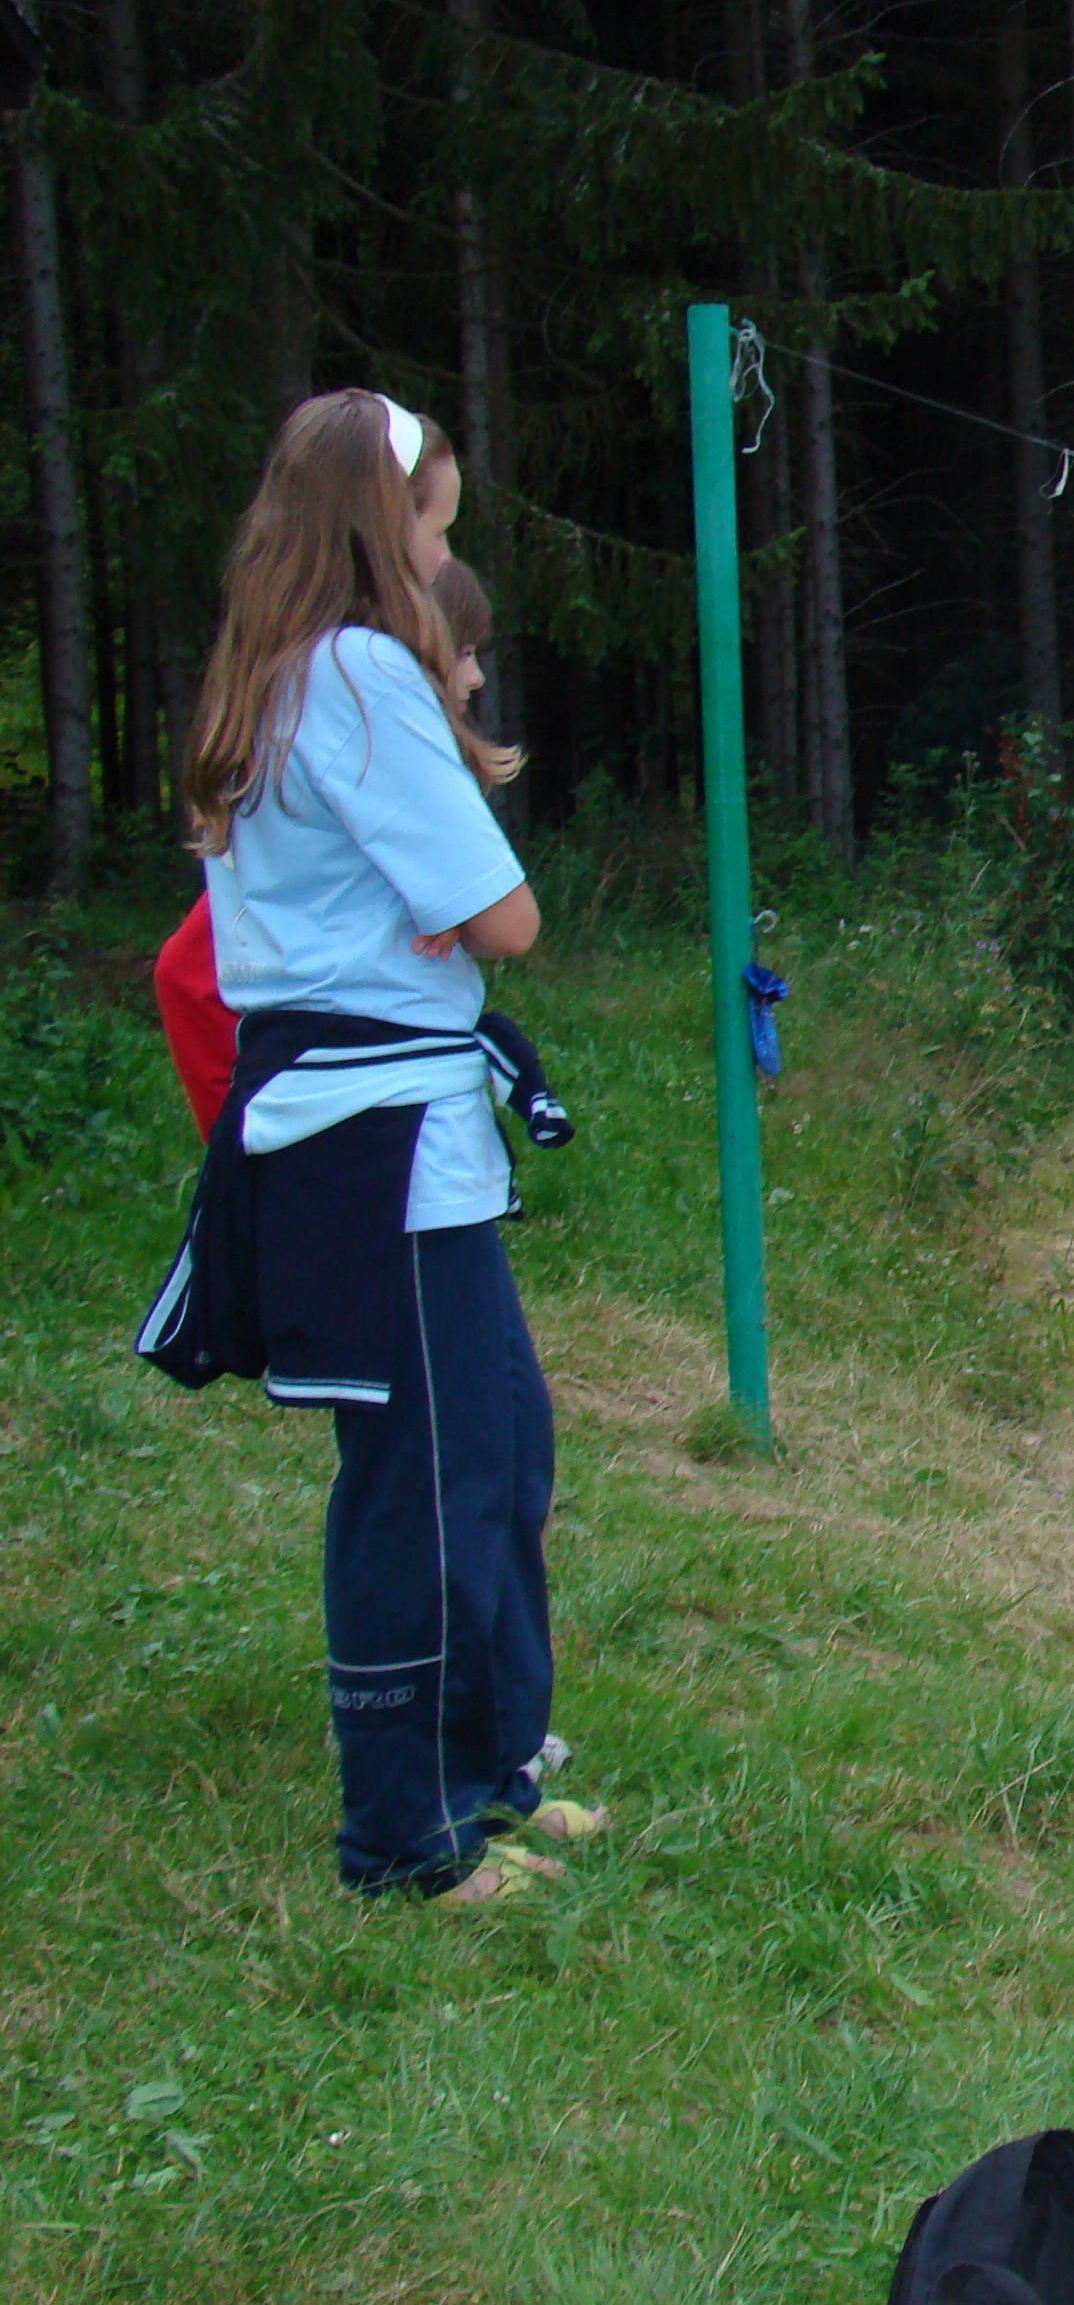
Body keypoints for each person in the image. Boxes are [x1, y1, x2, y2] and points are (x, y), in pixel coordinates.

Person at [133, 391, 595, 1905]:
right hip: (372, 1145)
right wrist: (459, 893)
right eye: (435, 529)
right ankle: (405, 1838)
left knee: (499, 1440)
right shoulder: (355, 674)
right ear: (380, 529)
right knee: (424, 1478)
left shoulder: (286, 669)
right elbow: (506, 917)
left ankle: (490, 1767)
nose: (442, 559)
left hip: (388, 1133)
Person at [154, 536, 495, 1140]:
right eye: (462, 653)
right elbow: (185, 973)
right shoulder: (338, 782)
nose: (476, 676)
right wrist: (239, 1135)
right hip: (316, 1127)